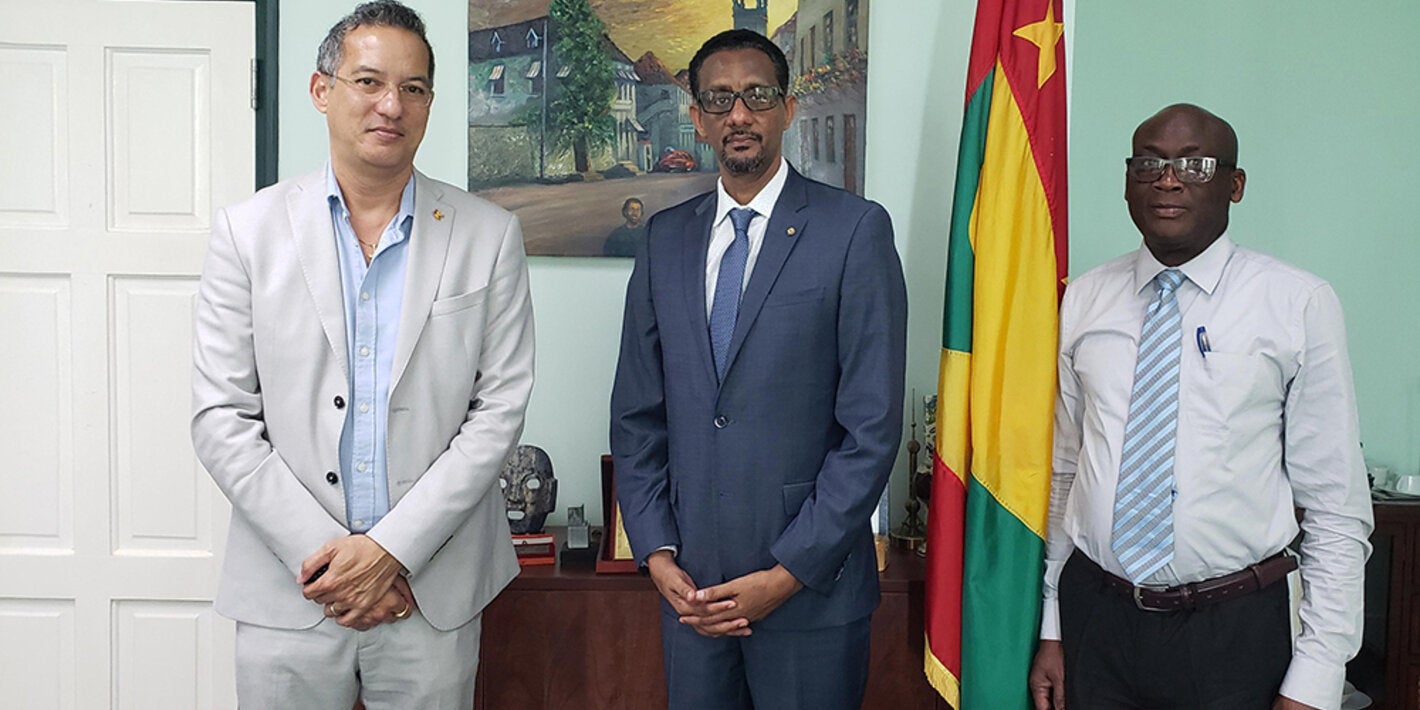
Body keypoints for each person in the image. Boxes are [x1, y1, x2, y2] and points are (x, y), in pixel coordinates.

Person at [190, 2, 534, 707]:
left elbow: (497, 412)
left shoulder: (488, 235)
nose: (391, 105)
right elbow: (221, 417)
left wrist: (389, 552)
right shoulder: (248, 233)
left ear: (430, 103)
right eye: (369, 81)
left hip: (428, 589)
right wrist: (333, 562)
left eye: (413, 88)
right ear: (322, 91)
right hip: (290, 587)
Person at [1028, 104, 1373, 710]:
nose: (1169, 178)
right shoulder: (1083, 298)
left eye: (1195, 163)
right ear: (1127, 181)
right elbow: (1066, 474)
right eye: (1149, 163)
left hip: (1232, 631)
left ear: (1234, 186)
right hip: (1096, 620)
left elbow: (1335, 508)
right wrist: (1053, 625)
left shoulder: (1297, 303)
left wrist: (1318, 674)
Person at [609, 29, 907, 710]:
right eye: (718, 99)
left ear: (787, 108)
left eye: (756, 95)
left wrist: (787, 572)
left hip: (811, 597)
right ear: (697, 118)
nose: (737, 114)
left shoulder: (855, 231)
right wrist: (656, 551)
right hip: (692, 598)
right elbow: (636, 413)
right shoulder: (665, 240)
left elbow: (872, 429)